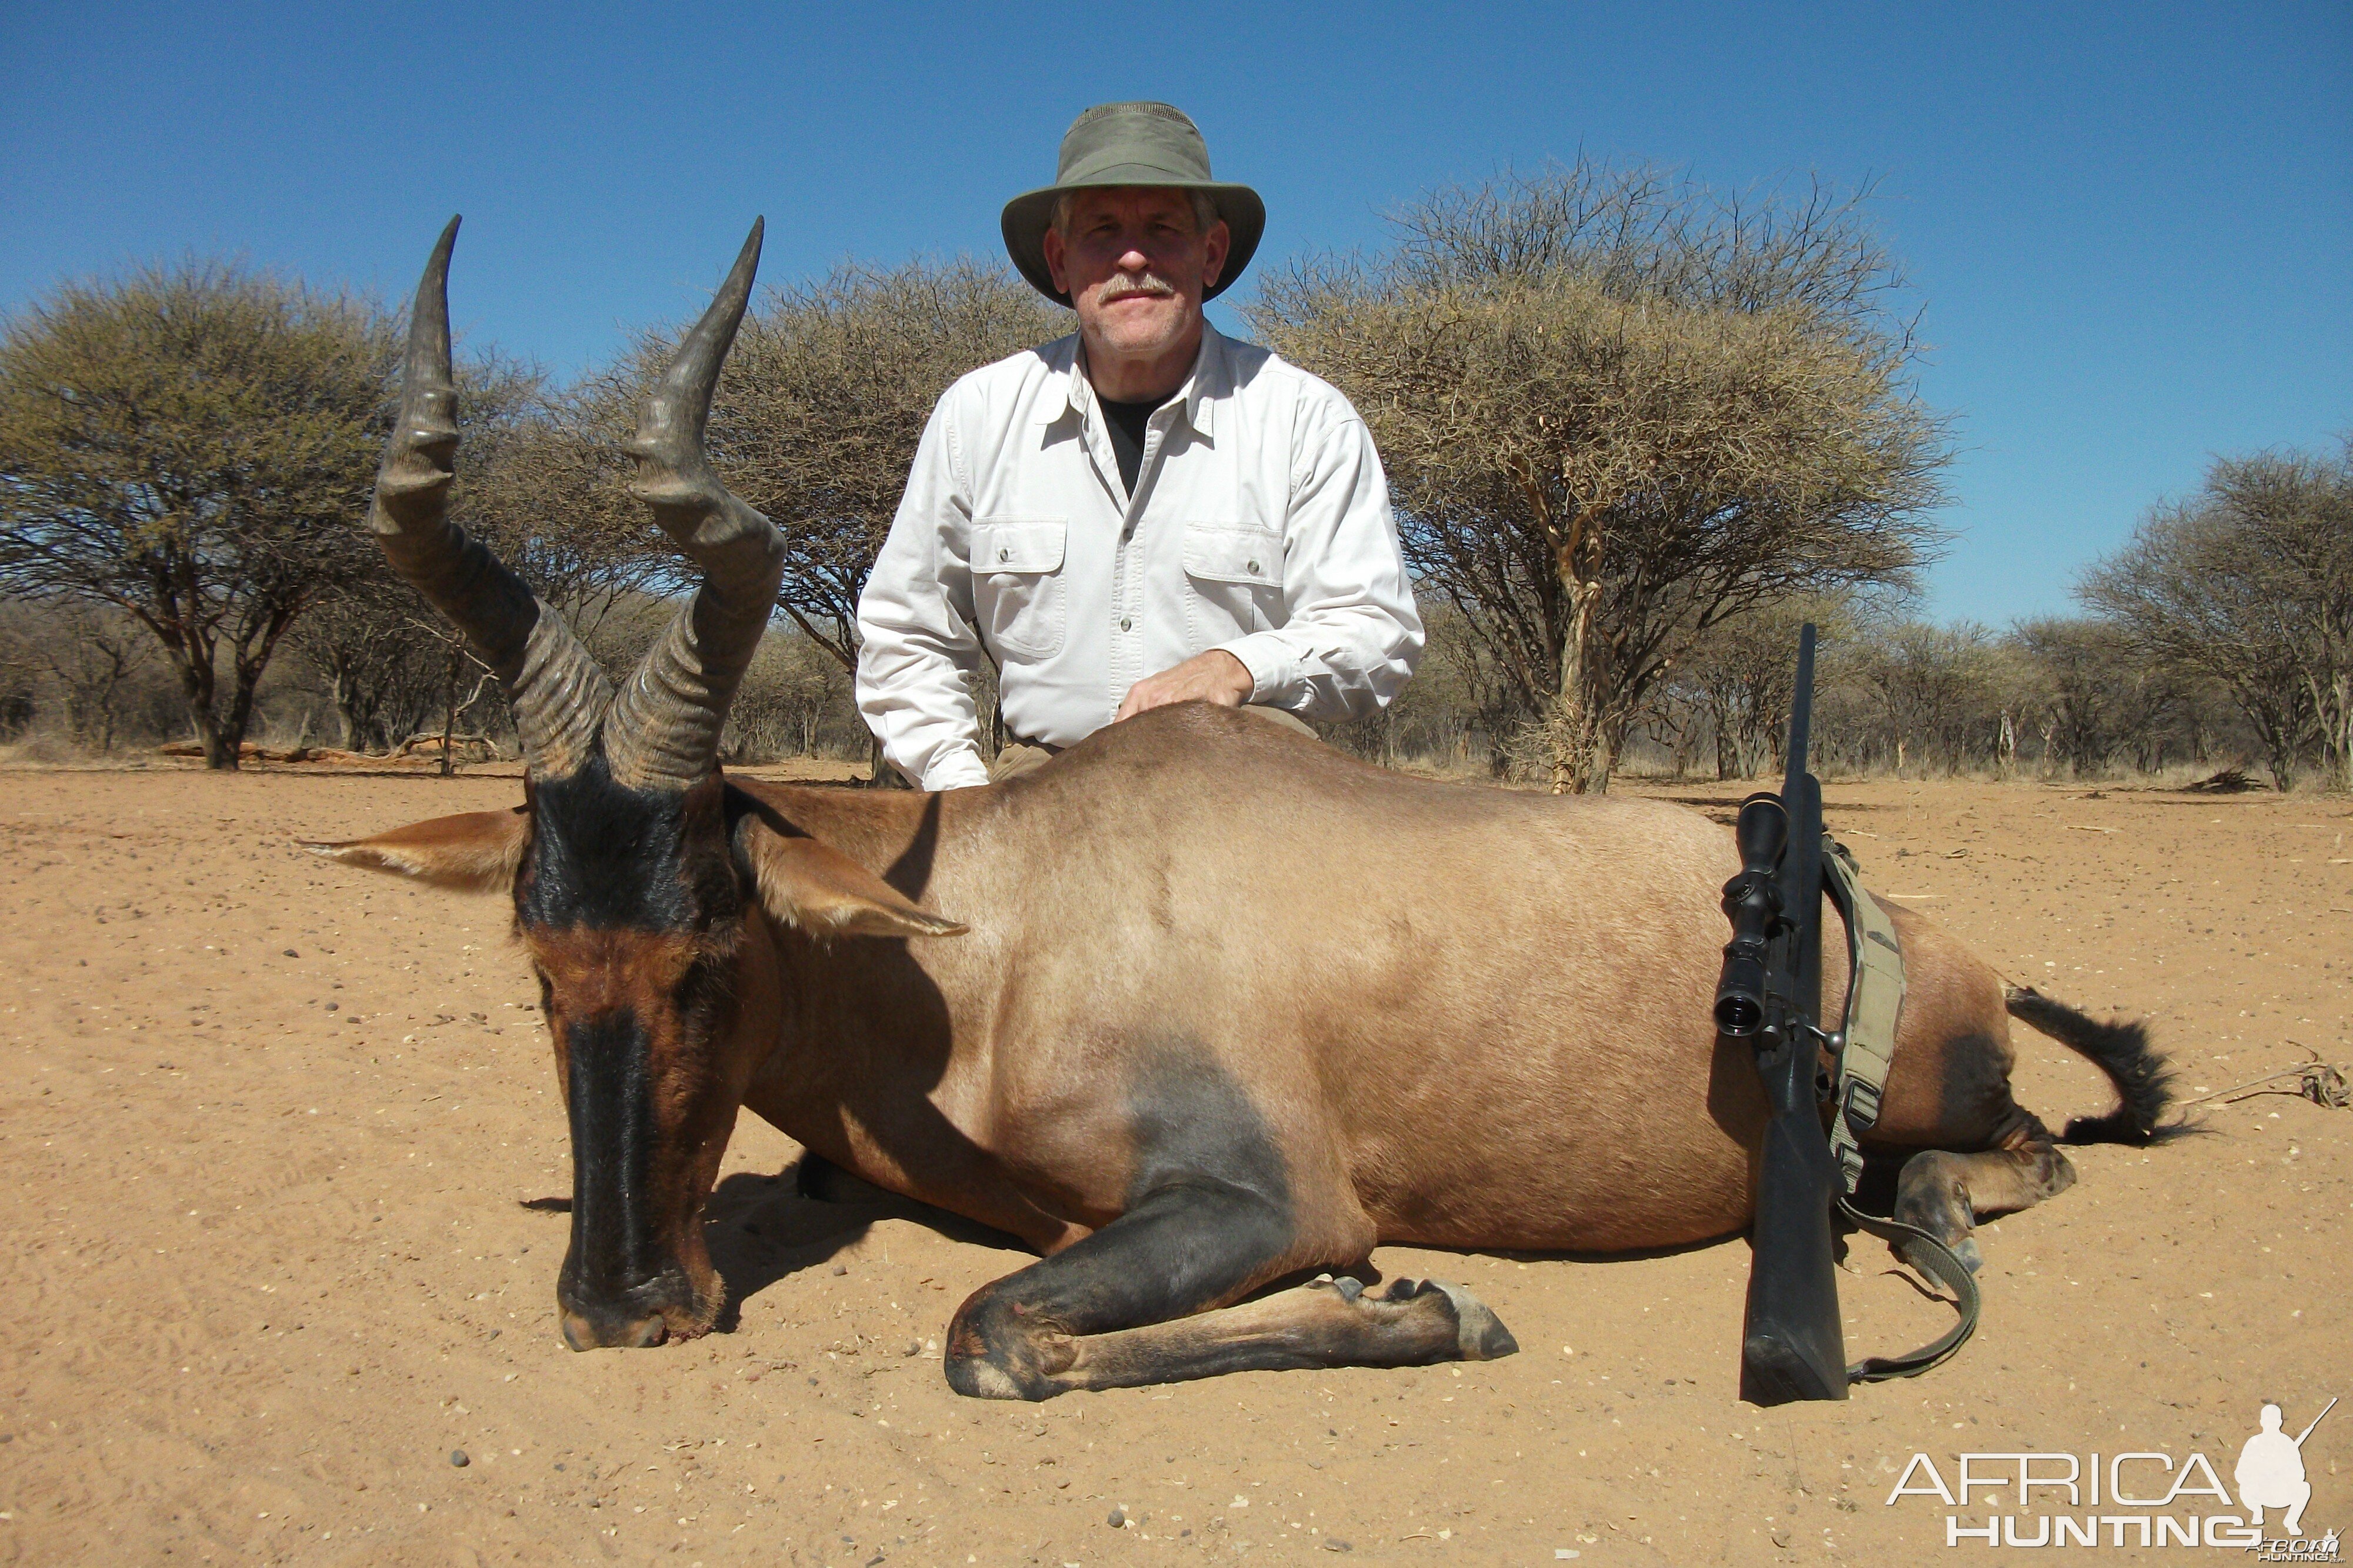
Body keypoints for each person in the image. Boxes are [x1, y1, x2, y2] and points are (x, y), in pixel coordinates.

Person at [855, 101, 1422, 788]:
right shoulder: (976, 415)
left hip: (1251, 786)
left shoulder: (1306, 418)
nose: (1132, 256)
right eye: (1101, 232)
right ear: (1061, 261)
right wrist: (962, 793)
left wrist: (1238, 666)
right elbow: (906, 632)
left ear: (1210, 253)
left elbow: (1376, 630)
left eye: (1161, 228)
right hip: (1041, 789)